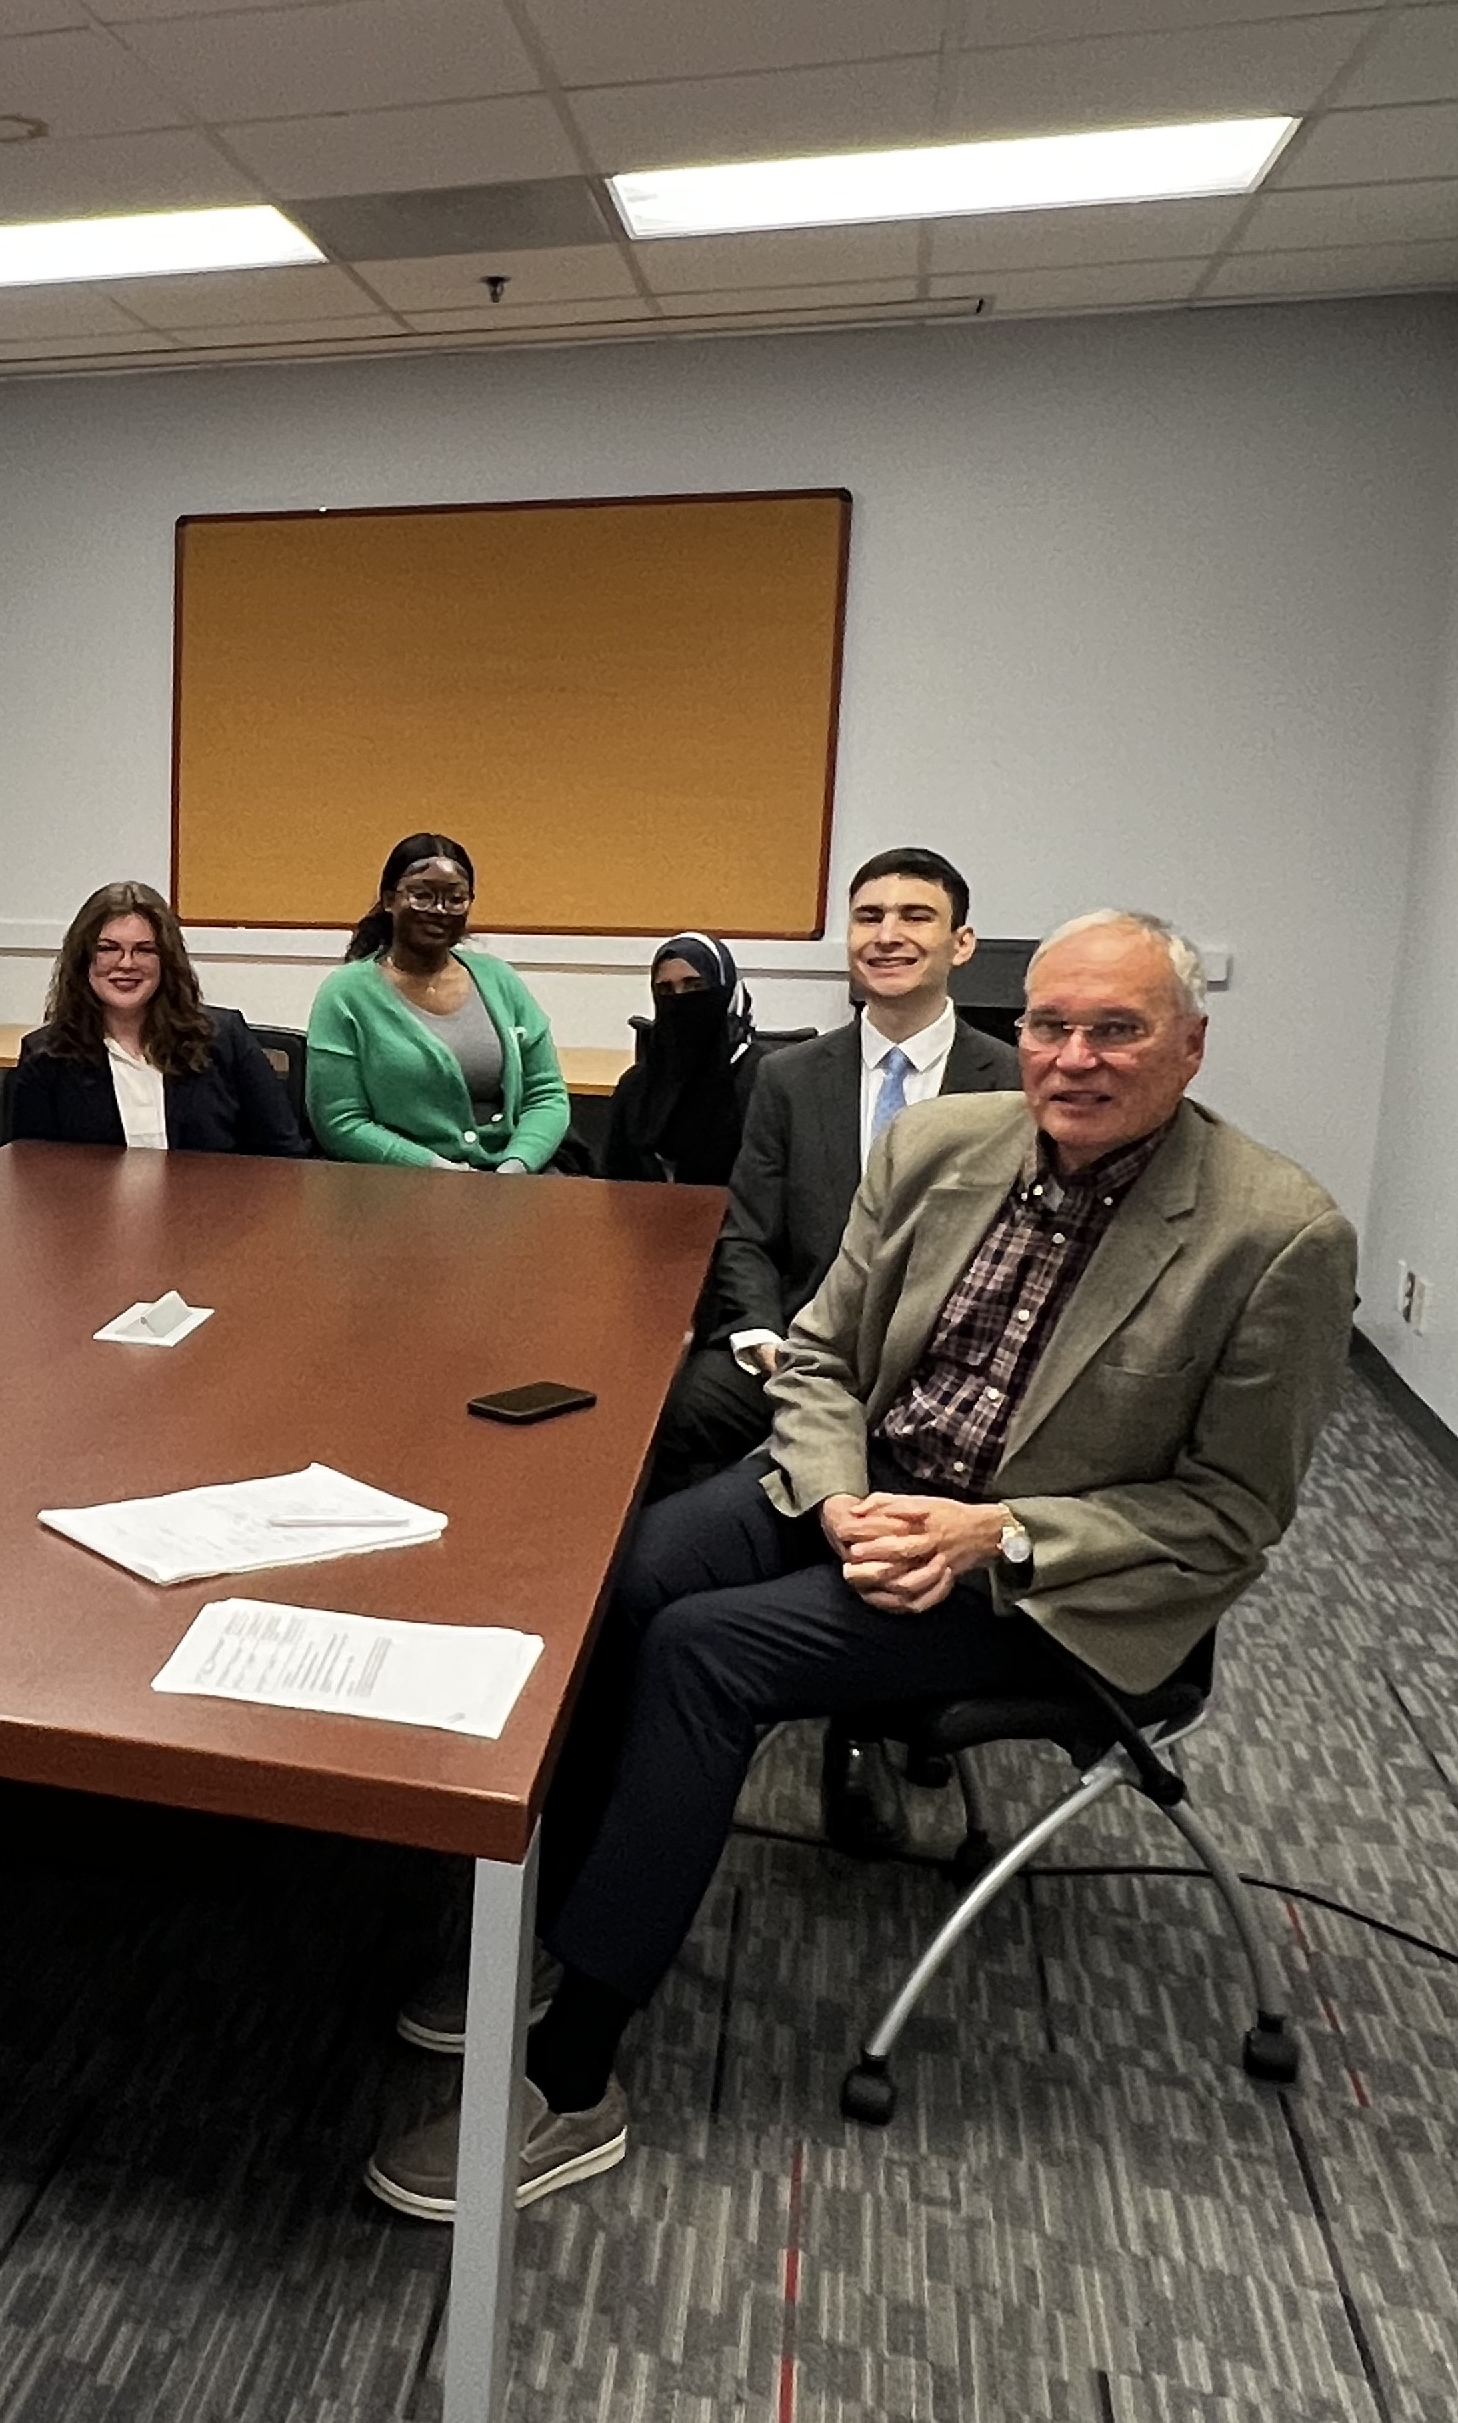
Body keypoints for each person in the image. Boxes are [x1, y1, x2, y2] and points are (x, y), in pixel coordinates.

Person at [364, 913, 1355, 2221]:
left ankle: (574, 2066)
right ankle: (554, 1929)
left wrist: (995, 1534)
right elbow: (824, 1359)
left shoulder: (1275, 1236)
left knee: (703, 1655)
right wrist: (835, 1500)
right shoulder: (940, 1147)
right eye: (1048, 1025)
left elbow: (1231, 1513)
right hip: (863, 1486)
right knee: (622, 1571)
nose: (1071, 1057)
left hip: (1042, 1579)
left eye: (1114, 1029)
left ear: (1188, 1045)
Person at [648, 848, 1020, 1496]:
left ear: (961, 944)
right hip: (799, 1345)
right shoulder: (788, 1075)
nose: (887, 936)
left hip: (945, 1363)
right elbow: (746, 1230)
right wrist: (761, 1336)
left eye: (915, 917)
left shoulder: (1014, 1084)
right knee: (661, 1421)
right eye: (868, 917)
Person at [305, 834, 569, 1173]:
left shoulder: (499, 979)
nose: (439, 910)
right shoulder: (344, 995)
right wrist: (438, 1170)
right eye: (422, 895)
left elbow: (546, 1094)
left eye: (455, 898)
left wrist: (516, 1164)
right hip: (397, 1184)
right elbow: (339, 1122)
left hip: (511, 1177)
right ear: (389, 900)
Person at [6, 881, 303, 1154]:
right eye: (108, 949)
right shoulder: (46, 1058)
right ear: (83, 960)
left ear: (167, 961)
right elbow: (35, 1178)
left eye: (144, 950)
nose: (126, 964)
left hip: (215, 1209)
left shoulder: (223, 1039)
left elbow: (284, 1153)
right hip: (91, 1212)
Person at [605, 933, 758, 1188]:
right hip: (644, 1224)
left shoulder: (762, 1083)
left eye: (695, 986)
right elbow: (612, 1187)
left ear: (726, 992)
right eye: (665, 990)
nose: (680, 1000)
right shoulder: (635, 1089)